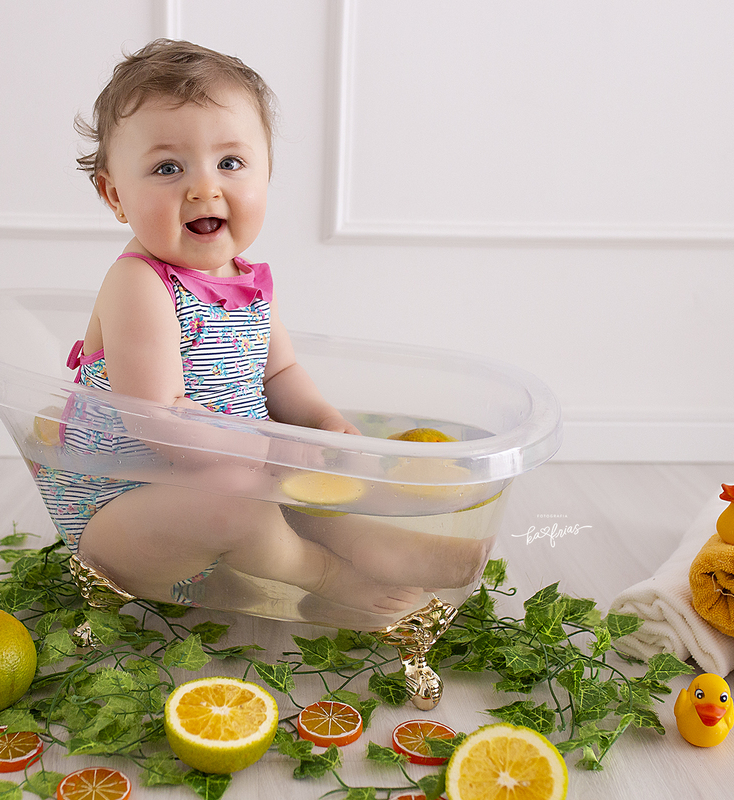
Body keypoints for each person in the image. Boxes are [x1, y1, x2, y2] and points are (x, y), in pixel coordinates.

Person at [35, 39, 479, 617]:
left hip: (235, 484)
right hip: (123, 512)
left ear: (266, 172)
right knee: (243, 495)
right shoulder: (138, 285)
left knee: (309, 503)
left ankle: (408, 552)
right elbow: (161, 422)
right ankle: (325, 576)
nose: (203, 187)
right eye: (168, 168)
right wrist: (272, 448)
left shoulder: (246, 281)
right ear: (115, 194)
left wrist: (322, 424)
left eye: (230, 163)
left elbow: (281, 372)